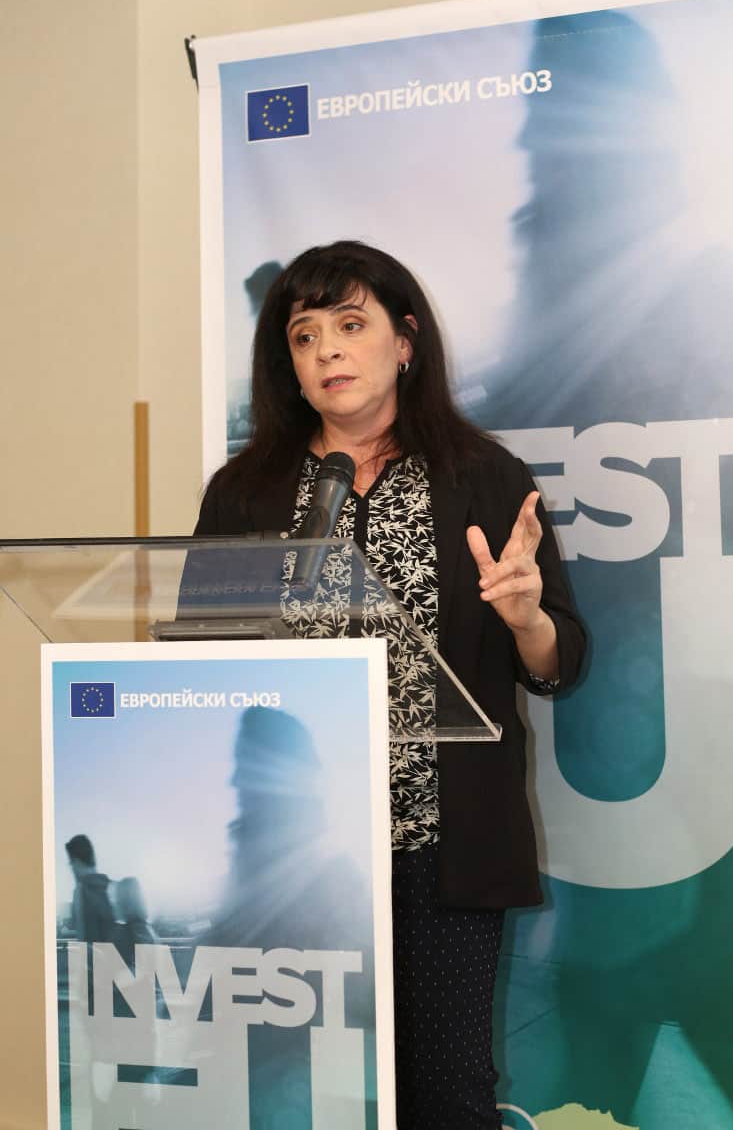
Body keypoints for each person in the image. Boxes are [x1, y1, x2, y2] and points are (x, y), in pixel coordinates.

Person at [194, 240, 587, 1129]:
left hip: (439, 851)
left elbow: (559, 663)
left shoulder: (484, 479)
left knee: (445, 1093)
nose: (327, 350)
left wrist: (526, 618)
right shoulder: (245, 494)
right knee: (298, 1093)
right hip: (295, 860)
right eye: (304, 336)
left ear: (404, 342)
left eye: (350, 324)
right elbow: (206, 664)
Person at [65, 833, 116, 944]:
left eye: (71, 863)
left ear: (76, 861)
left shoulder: (81, 890)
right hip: (116, 954)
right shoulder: (112, 886)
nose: (72, 868)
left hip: (95, 953)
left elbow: (83, 940)